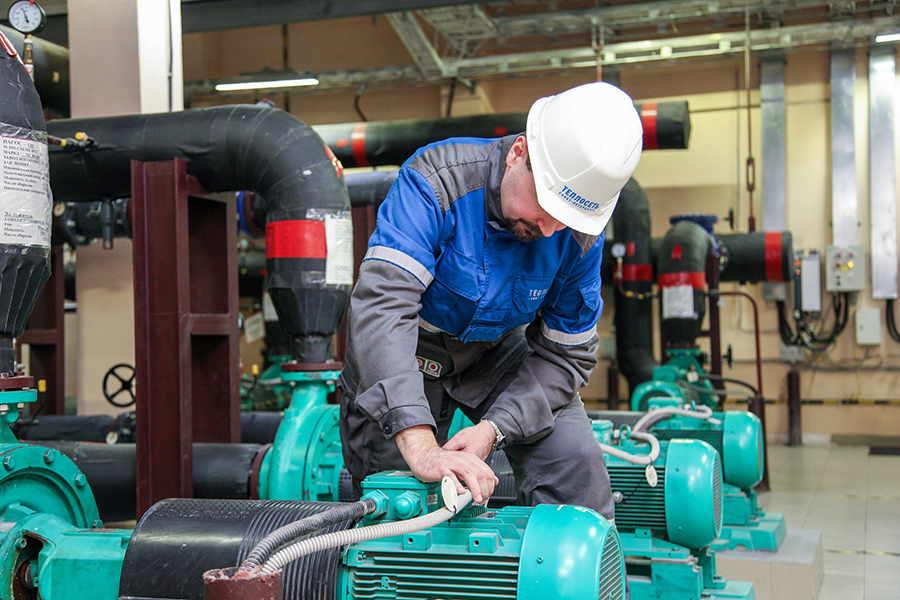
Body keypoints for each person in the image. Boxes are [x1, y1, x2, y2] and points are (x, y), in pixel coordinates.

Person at [337, 81, 643, 519]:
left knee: (574, 460)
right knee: (395, 502)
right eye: (546, 205)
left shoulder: (578, 236)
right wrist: (420, 444)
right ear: (519, 153)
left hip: (495, 351)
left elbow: (566, 356)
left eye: (566, 219)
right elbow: (383, 307)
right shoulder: (437, 183)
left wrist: (494, 429)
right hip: (405, 350)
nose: (551, 229)